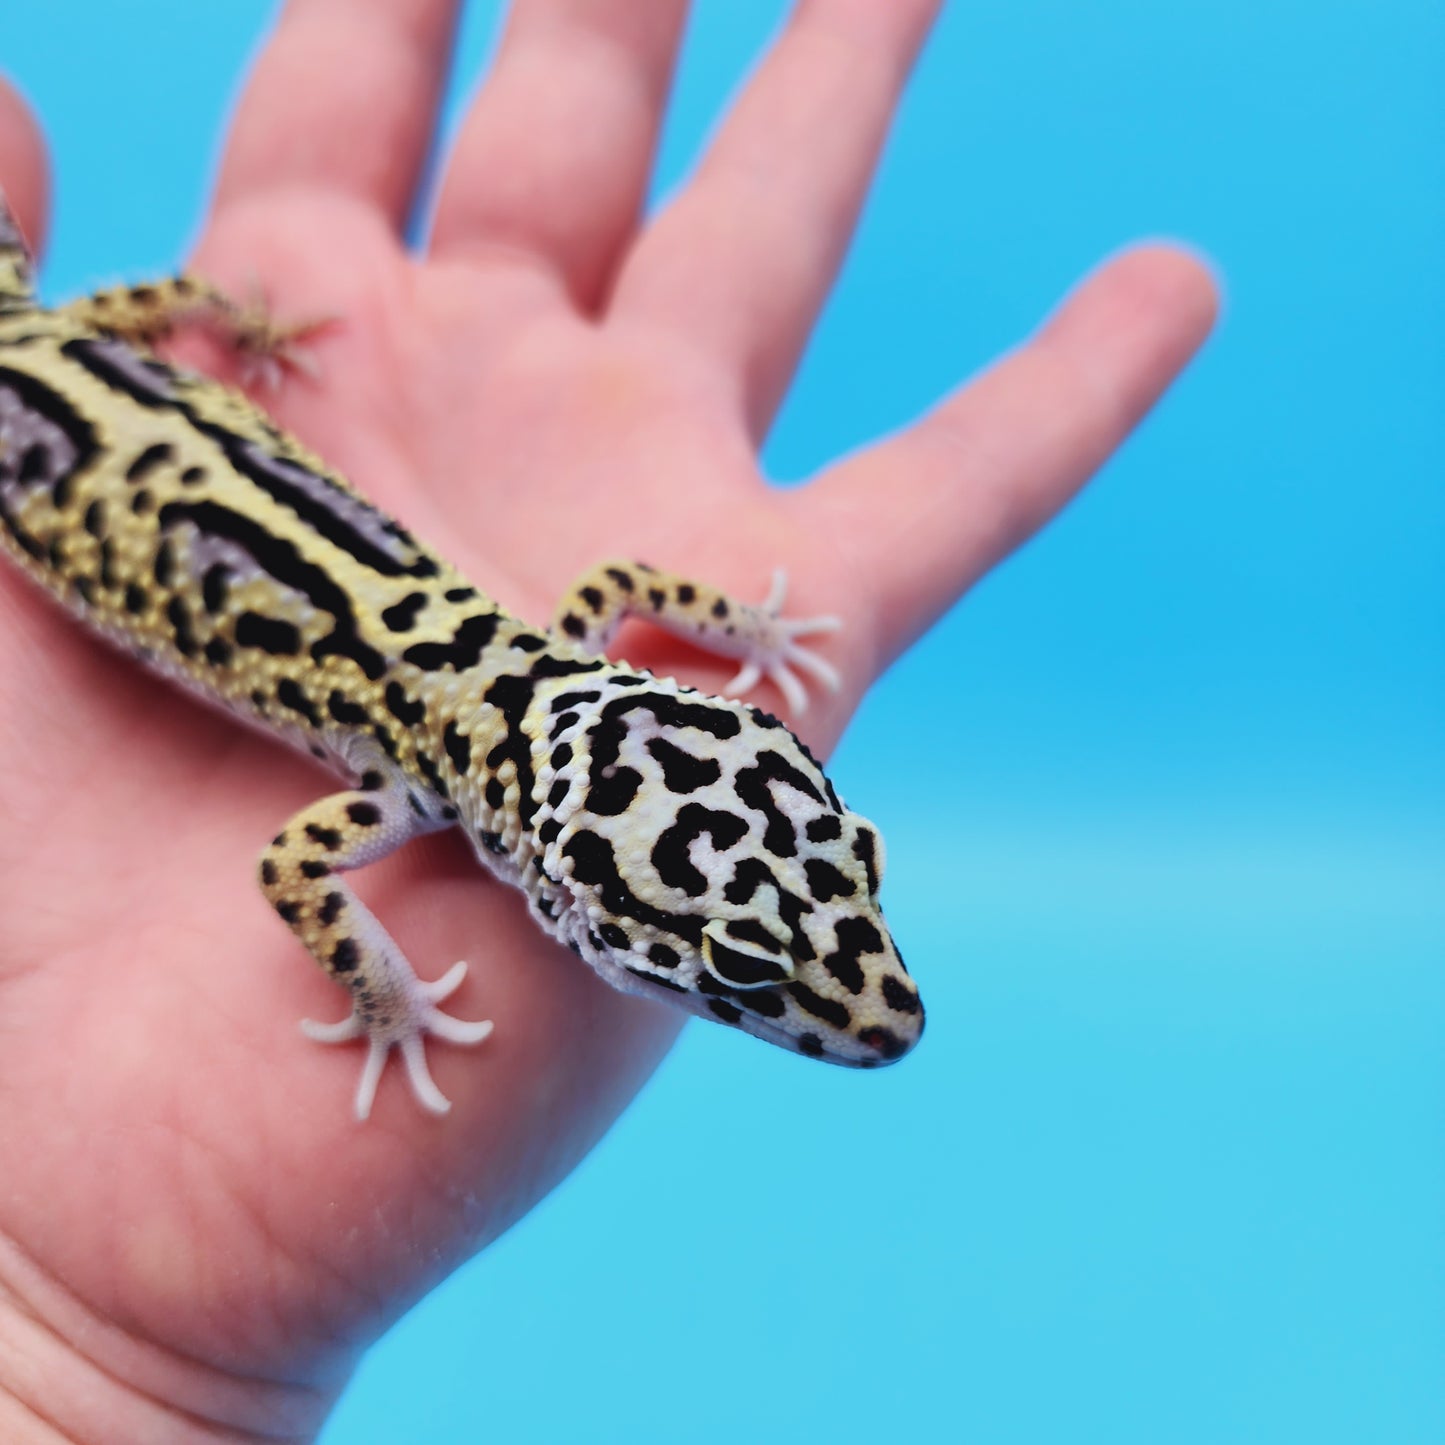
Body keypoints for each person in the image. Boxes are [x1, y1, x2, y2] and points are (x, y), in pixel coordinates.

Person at [0, 2, 1216, 1438]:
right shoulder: (417, 775)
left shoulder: (535, 674)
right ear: (572, 888)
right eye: (744, 972)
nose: (842, 999)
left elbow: (620, 585)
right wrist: (378, 991)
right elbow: (289, 869)